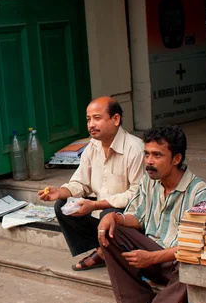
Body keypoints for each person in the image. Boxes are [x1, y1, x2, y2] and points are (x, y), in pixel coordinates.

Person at [98, 126, 206, 303]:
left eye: (157, 155)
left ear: (176, 159)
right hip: (149, 257)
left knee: (196, 260)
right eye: (147, 154)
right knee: (112, 230)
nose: (149, 161)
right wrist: (113, 216)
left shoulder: (199, 192)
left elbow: (194, 247)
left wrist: (152, 257)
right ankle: (136, 302)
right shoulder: (148, 182)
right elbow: (137, 217)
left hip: (176, 263)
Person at [38, 97, 144, 271]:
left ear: (115, 119)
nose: (91, 125)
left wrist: (95, 205)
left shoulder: (135, 149)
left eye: (97, 118)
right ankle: (102, 248)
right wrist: (62, 191)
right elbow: (81, 183)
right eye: (88, 119)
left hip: (128, 216)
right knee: (63, 206)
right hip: (102, 212)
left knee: (109, 214)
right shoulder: (93, 146)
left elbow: (137, 195)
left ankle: (105, 253)